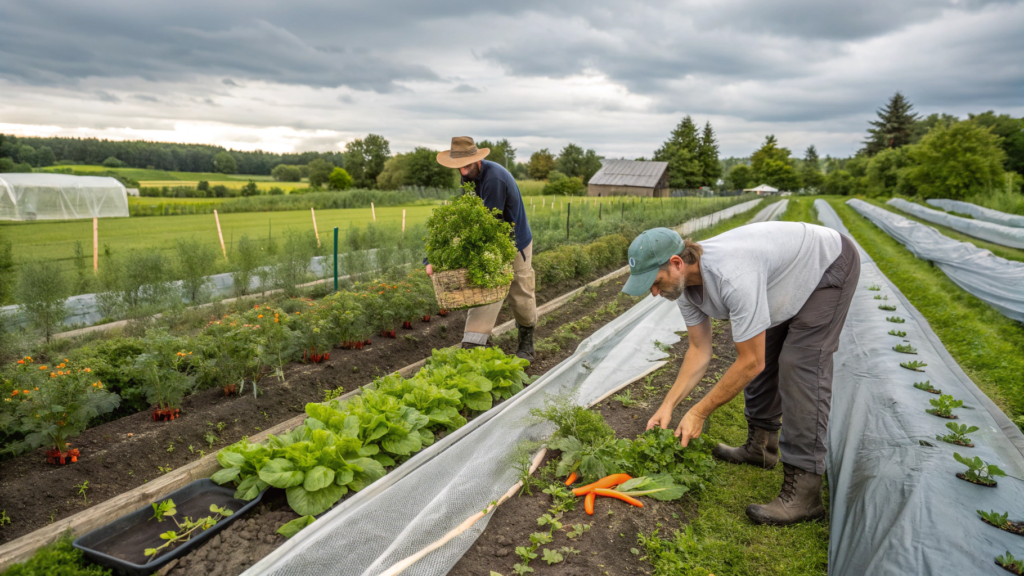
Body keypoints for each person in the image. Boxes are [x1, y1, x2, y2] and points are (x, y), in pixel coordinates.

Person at [621, 222, 860, 525]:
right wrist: (668, 405)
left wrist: (699, 411)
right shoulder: (683, 286)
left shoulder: (732, 276)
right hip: (786, 273)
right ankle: (760, 447)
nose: (654, 293)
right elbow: (699, 350)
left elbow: (751, 363)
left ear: (677, 263)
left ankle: (805, 493)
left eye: (655, 282)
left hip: (828, 267)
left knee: (800, 366)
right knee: (765, 348)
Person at [427, 136, 537, 360]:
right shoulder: (467, 178)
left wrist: (465, 251)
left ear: (477, 161)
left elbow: (487, 225)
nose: (463, 172)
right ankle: (475, 343)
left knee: (520, 293)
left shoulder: (494, 178)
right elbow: (467, 220)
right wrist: (434, 256)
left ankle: (527, 344)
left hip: (515, 243)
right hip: (489, 240)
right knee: (484, 287)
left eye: (466, 166)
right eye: (459, 168)